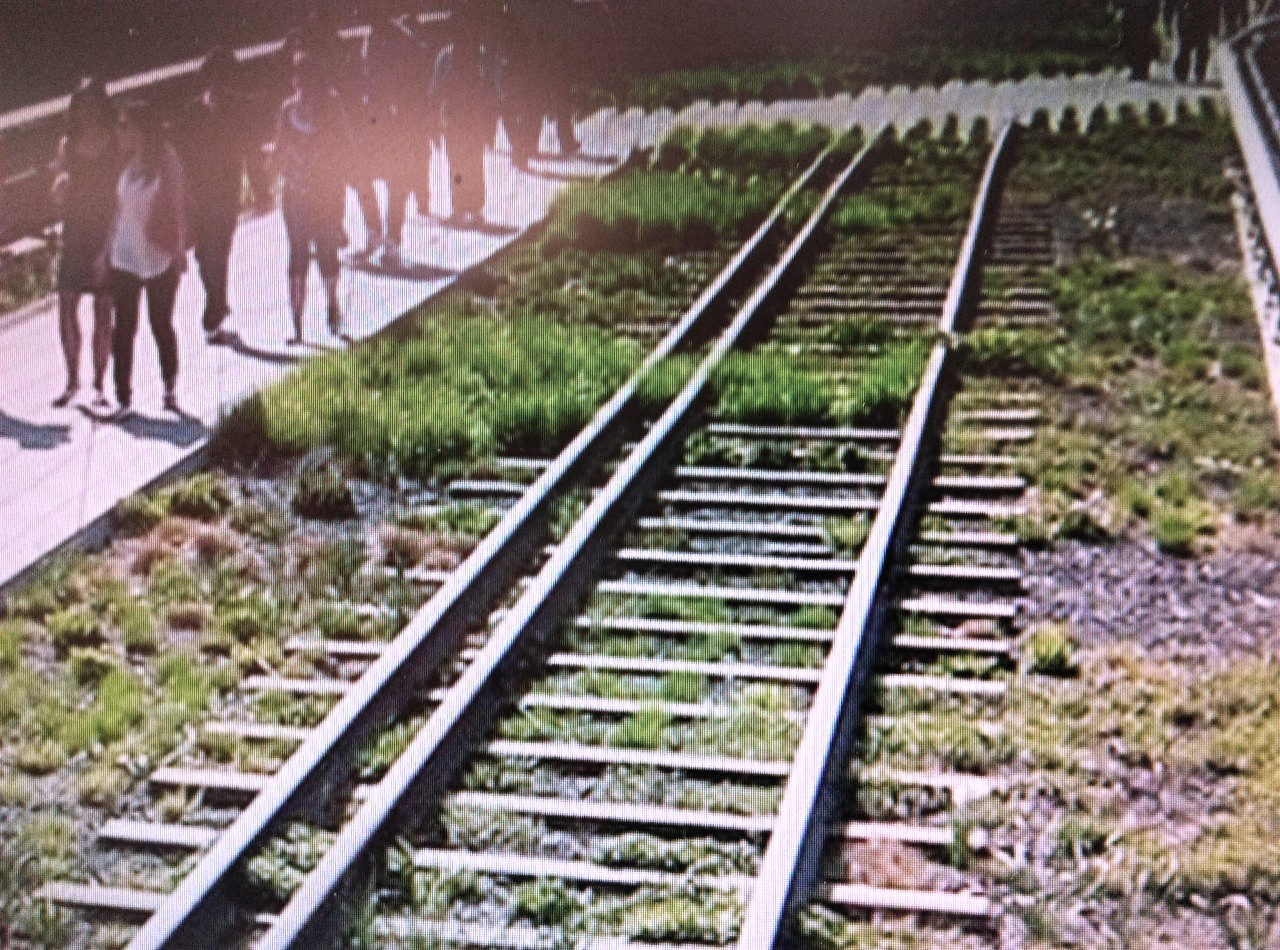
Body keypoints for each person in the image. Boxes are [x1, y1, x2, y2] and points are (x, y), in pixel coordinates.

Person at [100, 100, 188, 419]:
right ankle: (123, 397)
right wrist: (105, 250)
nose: (119, 132)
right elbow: (116, 210)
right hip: (124, 255)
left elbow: (178, 207)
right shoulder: (121, 164)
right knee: (123, 327)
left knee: (160, 323)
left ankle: (170, 388)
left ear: (139, 130)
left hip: (159, 254)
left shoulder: (166, 160)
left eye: (124, 126)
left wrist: (179, 250)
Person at [273, 50, 357, 344]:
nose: (301, 84)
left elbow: (346, 144)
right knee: (297, 254)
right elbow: (280, 147)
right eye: (298, 77)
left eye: (306, 77)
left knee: (325, 251)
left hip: (325, 192)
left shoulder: (332, 104)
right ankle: (297, 325)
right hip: (295, 193)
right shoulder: (287, 110)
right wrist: (278, 159)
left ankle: (331, 305)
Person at [50, 79, 119, 409]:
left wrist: (110, 245)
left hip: (105, 231)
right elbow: (66, 180)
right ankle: (71, 379)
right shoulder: (68, 144)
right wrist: (62, 185)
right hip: (74, 232)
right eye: (80, 105)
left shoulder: (114, 143)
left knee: (103, 309)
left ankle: (100, 382)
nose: (85, 111)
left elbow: (121, 193)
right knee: (66, 305)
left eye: (90, 104)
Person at [175, 48, 247, 345]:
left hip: (226, 193)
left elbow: (245, 150)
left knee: (221, 249)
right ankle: (217, 300)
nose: (218, 84)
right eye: (213, 78)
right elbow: (182, 153)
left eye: (223, 78)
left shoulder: (236, 110)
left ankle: (214, 308)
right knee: (205, 254)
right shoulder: (192, 112)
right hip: (198, 194)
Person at [356, 0, 437, 264]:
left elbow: (413, 80)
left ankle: (391, 241)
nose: (359, 14)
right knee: (360, 177)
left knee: (396, 182)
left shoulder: (398, 39)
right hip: (373, 120)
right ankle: (375, 232)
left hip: (395, 121)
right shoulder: (373, 36)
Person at [431, 12, 500, 225]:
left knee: (462, 163)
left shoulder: (451, 56)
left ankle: (466, 208)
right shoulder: (469, 55)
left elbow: (436, 88)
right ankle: (468, 208)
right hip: (461, 117)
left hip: (462, 117)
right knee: (466, 162)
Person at [1117, 0, 1161, 80]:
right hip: (1139, 13)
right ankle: (1139, 69)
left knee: (1138, 42)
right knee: (1139, 42)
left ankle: (1140, 69)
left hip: (1137, 13)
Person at [1175, 0, 1215, 82]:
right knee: (1187, 47)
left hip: (1201, 17)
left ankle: (1197, 73)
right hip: (1190, 17)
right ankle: (1185, 73)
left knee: (1200, 48)